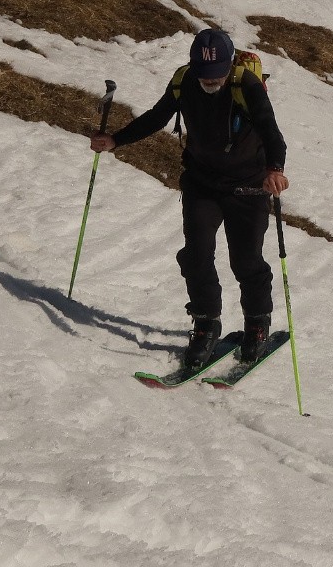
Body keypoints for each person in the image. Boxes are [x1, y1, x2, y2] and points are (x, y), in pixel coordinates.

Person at [90, 28, 289, 368]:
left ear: (230, 66)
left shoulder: (247, 86)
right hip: (202, 183)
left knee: (246, 261)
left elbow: (272, 133)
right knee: (196, 255)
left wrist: (275, 169)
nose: (210, 81)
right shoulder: (184, 81)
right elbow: (157, 117)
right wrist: (116, 140)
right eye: (204, 75)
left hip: (248, 185)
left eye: (217, 75)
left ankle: (257, 324)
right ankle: (205, 325)